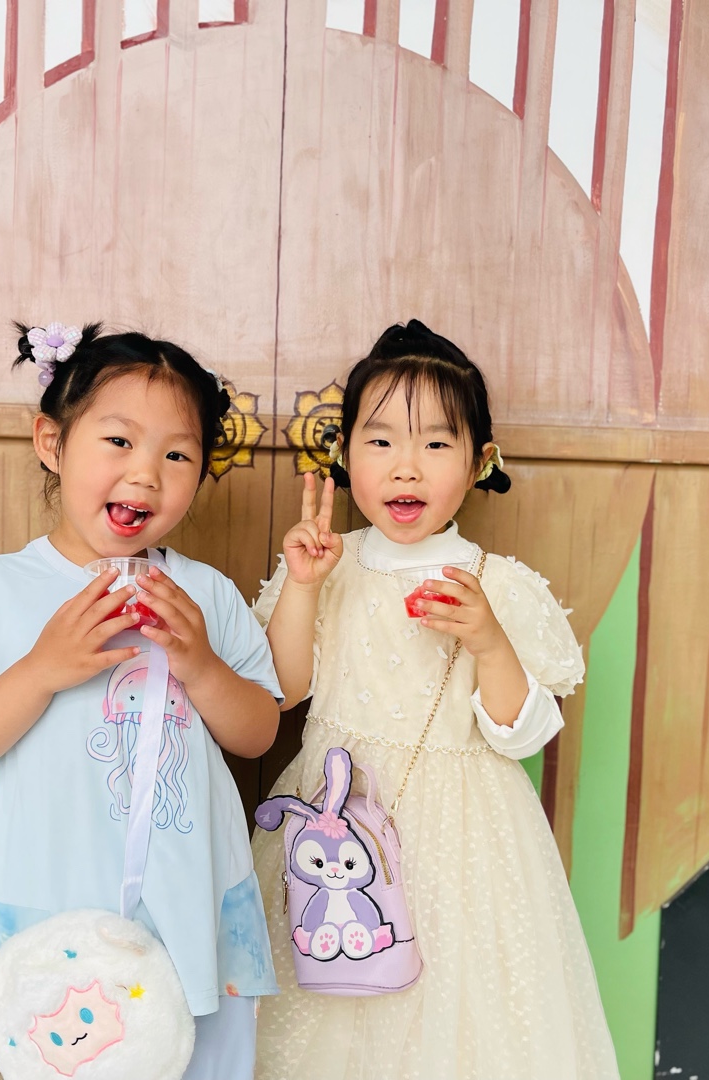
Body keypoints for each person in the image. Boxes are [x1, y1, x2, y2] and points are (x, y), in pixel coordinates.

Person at [253, 320, 620, 1079]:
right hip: (335, 822)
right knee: (328, 994)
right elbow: (282, 693)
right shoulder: (329, 564)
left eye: (436, 443)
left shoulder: (497, 583)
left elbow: (522, 734)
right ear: (345, 453)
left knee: (455, 1024)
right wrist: (304, 586)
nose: (406, 467)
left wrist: (489, 641)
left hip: (465, 842)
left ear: (480, 461)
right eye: (381, 440)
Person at [0, 321, 280, 1079]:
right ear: (52, 442)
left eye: (177, 455)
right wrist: (41, 669)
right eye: (119, 441)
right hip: (58, 923)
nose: (146, 474)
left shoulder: (205, 594)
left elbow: (257, 732)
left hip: (192, 917)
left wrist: (200, 664)